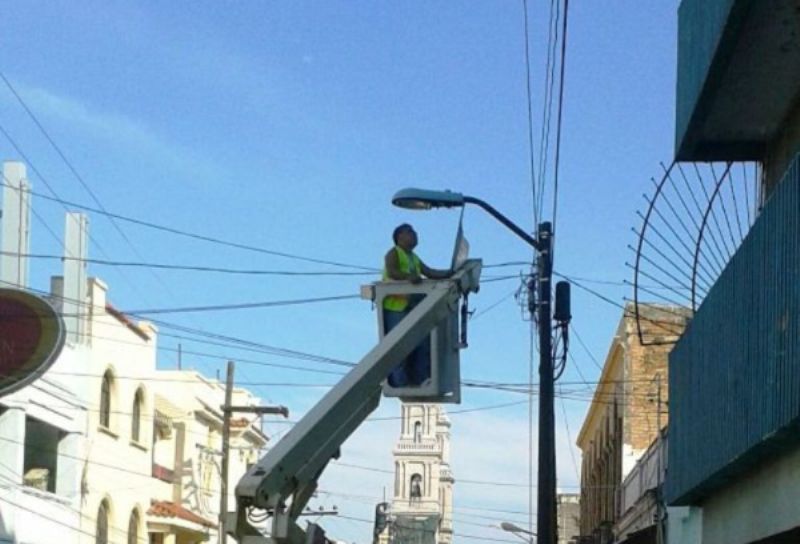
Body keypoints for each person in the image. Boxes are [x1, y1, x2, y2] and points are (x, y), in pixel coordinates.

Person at [383, 223, 452, 387]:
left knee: (419, 342)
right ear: (399, 236)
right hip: (395, 307)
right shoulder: (394, 253)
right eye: (410, 232)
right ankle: (399, 381)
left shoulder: (413, 257)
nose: (414, 235)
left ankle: (420, 378)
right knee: (398, 345)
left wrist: (450, 273)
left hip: (410, 307)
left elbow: (429, 272)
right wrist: (409, 277)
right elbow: (392, 271)